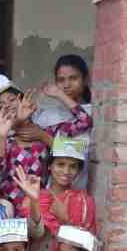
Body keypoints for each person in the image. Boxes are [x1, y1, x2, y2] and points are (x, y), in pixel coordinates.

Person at [13, 135, 98, 251]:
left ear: (78, 171)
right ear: (49, 166)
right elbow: (33, 234)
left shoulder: (84, 201)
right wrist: (34, 200)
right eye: (60, 164)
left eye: (73, 166)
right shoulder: (34, 196)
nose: (66, 171)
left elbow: (89, 245)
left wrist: (65, 220)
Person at [0, 75, 51, 214]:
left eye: (12, 99)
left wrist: (44, 136)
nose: (7, 105)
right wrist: (5, 133)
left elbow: (75, 147)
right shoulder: (2, 137)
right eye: (2, 104)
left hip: (39, 204)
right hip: (10, 206)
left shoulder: (44, 128)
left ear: (23, 99)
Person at [33, 55, 94, 189]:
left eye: (73, 78)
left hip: (78, 188)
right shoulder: (48, 115)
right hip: (49, 189)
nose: (66, 85)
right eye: (61, 80)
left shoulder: (93, 112)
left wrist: (60, 95)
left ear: (85, 80)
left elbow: (78, 149)